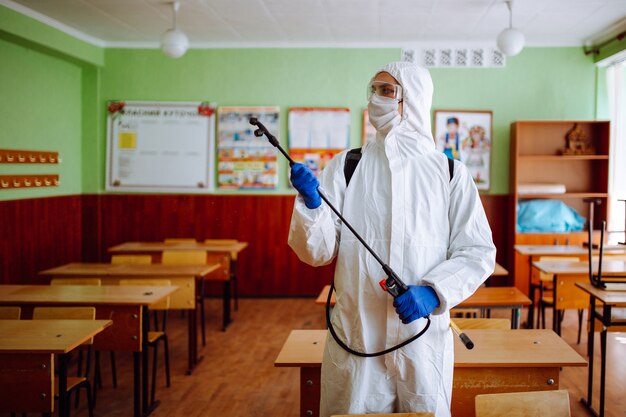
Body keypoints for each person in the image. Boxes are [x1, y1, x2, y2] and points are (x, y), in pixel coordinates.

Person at [287, 61, 496, 417]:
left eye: (387, 91)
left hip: (422, 344)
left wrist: (435, 291)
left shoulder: (449, 174)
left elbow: (477, 251)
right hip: (357, 339)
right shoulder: (346, 166)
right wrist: (312, 206)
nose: (376, 100)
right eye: (374, 90)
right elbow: (318, 252)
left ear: (411, 101)